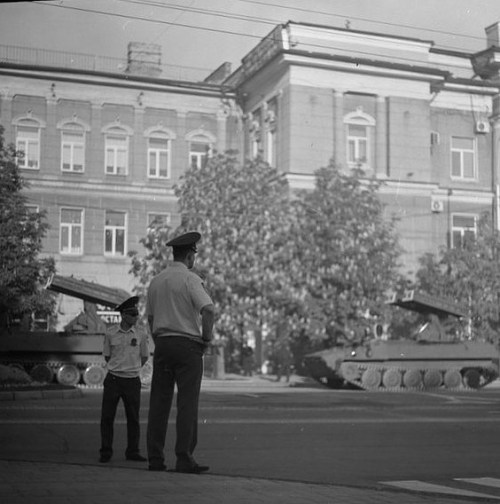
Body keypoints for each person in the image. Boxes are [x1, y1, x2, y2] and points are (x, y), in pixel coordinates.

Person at [146, 231, 215, 474]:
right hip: (187, 347)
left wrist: (160, 340)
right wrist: (206, 339)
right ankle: (184, 458)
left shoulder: (156, 281)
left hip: (163, 344)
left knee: (159, 403)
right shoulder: (190, 279)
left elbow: (151, 318)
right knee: (187, 404)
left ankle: (155, 458)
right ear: (189, 256)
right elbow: (208, 310)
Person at [99, 296, 149, 463]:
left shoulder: (141, 333)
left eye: (137, 314)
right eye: (133, 314)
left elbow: (144, 357)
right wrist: (119, 367)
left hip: (132, 381)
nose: (136, 317)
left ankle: (133, 451)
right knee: (107, 417)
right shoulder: (110, 333)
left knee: (133, 418)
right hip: (113, 379)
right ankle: (106, 451)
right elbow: (107, 356)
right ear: (123, 315)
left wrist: (131, 368)